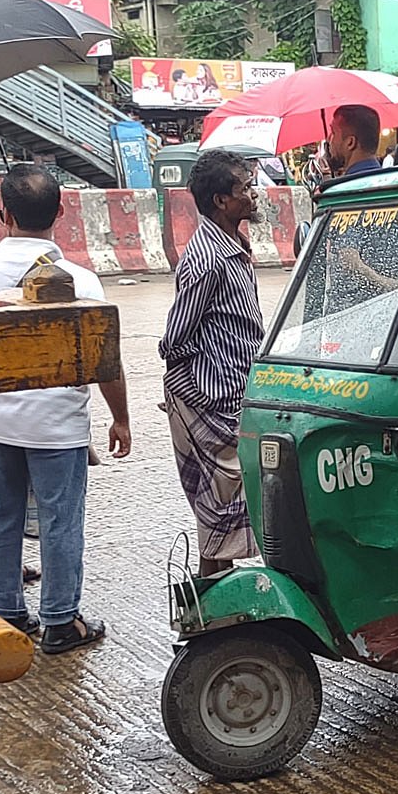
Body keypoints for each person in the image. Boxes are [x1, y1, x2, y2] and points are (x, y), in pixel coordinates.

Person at [0, 164, 131, 653]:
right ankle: (62, 621)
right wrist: (121, 418)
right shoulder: (82, 281)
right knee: (61, 524)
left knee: (0, 521)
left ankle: (5, 612)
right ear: (60, 212)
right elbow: (108, 362)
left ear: (3, 214)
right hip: (58, 430)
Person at [159, 150, 263, 578]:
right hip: (215, 397)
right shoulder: (208, 258)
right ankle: (213, 607)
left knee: (224, 505)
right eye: (244, 188)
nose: (252, 195)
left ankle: (216, 602)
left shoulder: (234, 244)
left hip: (235, 391)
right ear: (222, 200)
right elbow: (175, 337)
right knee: (222, 504)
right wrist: (204, 382)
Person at [327, 105, 384, 176]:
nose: (329, 139)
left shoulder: (344, 186)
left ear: (350, 143)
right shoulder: (391, 182)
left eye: (333, 133)